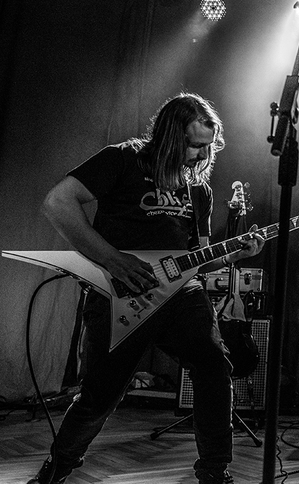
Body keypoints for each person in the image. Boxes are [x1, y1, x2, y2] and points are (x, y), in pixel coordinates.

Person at [30, 93, 265, 484]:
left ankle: (214, 472)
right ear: (170, 136)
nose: (201, 155)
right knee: (100, 397)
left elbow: (198, 257)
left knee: (213, 365)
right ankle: (54, 472)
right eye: (194, 145)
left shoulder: (198, 190)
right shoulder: (122, 159)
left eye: (207, 146)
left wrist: (232, 255)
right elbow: (58, 203)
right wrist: (112, 259)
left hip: (181, 296)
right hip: (120, 294)